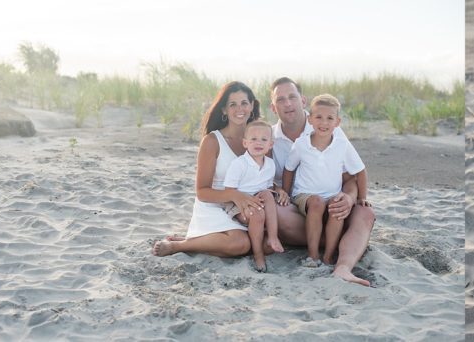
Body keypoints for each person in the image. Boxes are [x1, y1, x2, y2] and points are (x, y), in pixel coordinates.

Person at [268, 78, 375, 286]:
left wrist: (350, 197)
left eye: (292, 97)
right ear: (273, 107)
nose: (288, 103)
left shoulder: (329, 127)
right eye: (281, 100)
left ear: (303, 101)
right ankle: (336, 244)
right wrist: (282, 192)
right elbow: (262, 177)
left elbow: (351, 176)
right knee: (275, 211)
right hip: (296, 207)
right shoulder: (268, 137)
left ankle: (342, 267)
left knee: (366, 212)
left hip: (333, 202)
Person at [152, 81, 266, 261]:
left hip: (245, 206)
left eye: (244, 103)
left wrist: (278, 190)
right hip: (214, 204)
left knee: (266, 244)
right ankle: (180, 245)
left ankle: (203, 240)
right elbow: (202, 192)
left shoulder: (259, 138)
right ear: (224, 110)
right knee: (241, 244)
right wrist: (234, 195)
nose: (239, 109)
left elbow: (265, 173)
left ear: (252, 105)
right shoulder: (213, 141)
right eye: (232, 104)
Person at [282, 94, 368, 267]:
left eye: (330, 118)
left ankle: (328, 256)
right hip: (304, 195)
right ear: (310, 119)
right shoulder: (301, 144)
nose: (324, 123)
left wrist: (362, 198)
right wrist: (286, 192)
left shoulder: (341, 145)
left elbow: (360, 171)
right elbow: (288, 169)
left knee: (337, 206)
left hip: (332, 194)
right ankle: (313, 256)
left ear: (337, 122)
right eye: (319, 117)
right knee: (317, 202)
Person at [223, 120, 286, 272]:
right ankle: (258, 254)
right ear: (245, 143)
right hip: (239, 205)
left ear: (270, 144)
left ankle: (272, 237)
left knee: (268, 194)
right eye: (253, 139)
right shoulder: (239, 164)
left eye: (264, 139)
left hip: (260, 200)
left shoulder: (270, 164)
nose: (259, 143)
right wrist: (247, 202)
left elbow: (268, 186)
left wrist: (278, 191)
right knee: (257, 214)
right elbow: (229, 191)